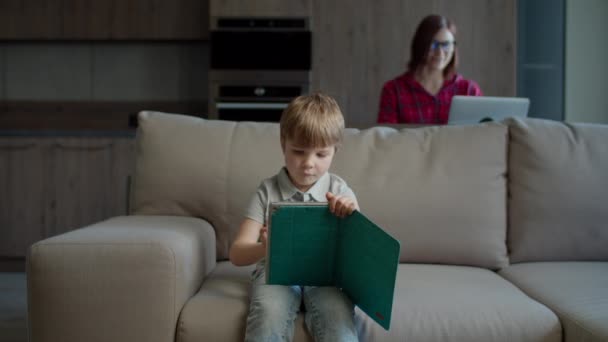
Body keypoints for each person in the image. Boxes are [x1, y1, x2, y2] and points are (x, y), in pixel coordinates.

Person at [229, 92, 360, 342]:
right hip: (275, 272)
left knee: (338, 315)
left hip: (325, 276)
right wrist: (265, 249)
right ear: (283, 144)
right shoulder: (266, 191)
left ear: (335, 151)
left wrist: (351, 214)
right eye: (299, 151)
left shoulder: (341, 190)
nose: (308, 163)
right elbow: (237, 252)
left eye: (321, 154)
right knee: (268, 313)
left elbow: (360, 254)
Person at [377, 14, 483, 124]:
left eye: (446, 44)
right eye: (434, 44)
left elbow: (481, 135)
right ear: (420, 45)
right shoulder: (394, 91)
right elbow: (386, 139)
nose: (440, 52)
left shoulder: (469, 91)